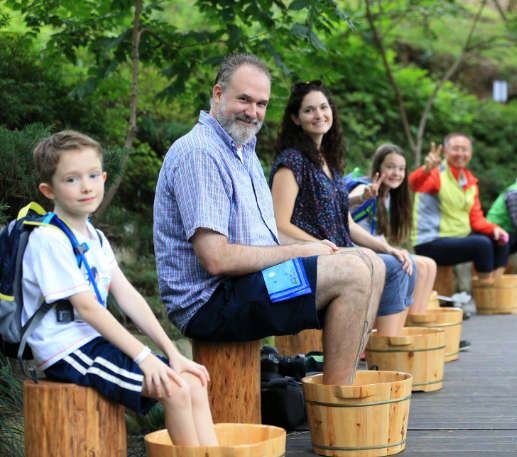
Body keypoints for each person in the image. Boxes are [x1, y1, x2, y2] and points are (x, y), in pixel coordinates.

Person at [154, 55, 385, 386]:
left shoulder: (242, 149)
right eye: (244, 99)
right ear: (218, 94)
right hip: (213, 303)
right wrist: (300, 253)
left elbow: (267, 236)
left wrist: (313, 246)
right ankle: (338, 402)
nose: (253, 111)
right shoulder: (201, 153)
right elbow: (216, 259)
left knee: (369, 262)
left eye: (261, 103)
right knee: (352, 274)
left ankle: (337, 392)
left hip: (247, 285)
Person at [26, 131, 218, 446]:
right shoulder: (49, 239)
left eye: (91, 175)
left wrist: (172, 354)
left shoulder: (94, 237)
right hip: (65, 350)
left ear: (103, 177)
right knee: (175, 389)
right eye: (71, 179)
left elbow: (128, 296)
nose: (86, 186)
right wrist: (144, 357)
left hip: (93, 342)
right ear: (49, 190)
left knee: (192, 381)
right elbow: (87, 308)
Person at [269, 81, 414, 338]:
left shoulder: (331, 163)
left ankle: (383, 348)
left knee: (402, 261)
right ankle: (370, 349)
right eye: (309, 110)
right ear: (295, 118)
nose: (319, 115)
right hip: (311, 257)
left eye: (324, 107)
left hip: (340, 251)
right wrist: (322, 246)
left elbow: (348, 223)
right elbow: (279, 224)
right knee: (384, 266)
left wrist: (387, 247)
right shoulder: (291, 162)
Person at [348, 144, 438, 314]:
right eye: (390, 167)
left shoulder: (387, 196)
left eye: (401, 169)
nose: (396, 173)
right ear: (378, 167)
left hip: (372, 249)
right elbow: (340, 203)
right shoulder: (365, 188)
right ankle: (409, 324)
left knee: (429, 264)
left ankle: (417, 321)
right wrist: (362, 196)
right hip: (356, 250)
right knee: (414, 265)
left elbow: (376, 233)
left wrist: (392, 248)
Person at [409, 134, 510, 280]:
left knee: (501, 240)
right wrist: (425, 170)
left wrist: (494, 229)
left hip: (458, 237)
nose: (460, 154)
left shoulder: (470, 181)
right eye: (455, 149)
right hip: (431, 241)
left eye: (465, 149)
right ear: (445, 152)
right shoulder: (436, 172)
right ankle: (487, 292)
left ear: (471, 153)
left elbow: (476, 219)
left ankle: (494, 287)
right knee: (483, 244)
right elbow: (413, 185)